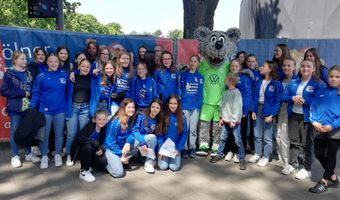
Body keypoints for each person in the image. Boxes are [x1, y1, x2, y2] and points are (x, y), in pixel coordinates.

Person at [281, 60, 325, 179]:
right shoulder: (294, 82)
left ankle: (307, 169)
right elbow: (282, 96)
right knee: (294, 141)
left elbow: (321, 102)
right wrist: (292, 98)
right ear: (299, 68)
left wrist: (306, 102)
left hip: (308, 118)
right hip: (294, 116)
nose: (305, 68)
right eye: (303, 66)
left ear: (313, 69)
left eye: (308, 66)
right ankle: (292, 164)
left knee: (307, 143)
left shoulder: (317, 85)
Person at [0, 51, 41, 168]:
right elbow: (3, 90)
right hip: (15, 108)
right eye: (22, 59)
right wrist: (22, 93)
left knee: (27, 130)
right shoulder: (9, 73)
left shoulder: (28, 73)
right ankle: (15, 156)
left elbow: (32, 89)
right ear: (15, 60)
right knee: (15, 130)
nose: (25, 61)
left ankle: (28, 153)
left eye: (25, 59)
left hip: (27, 107)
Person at [30, 53, 69, 169]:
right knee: (44, 135)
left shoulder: (64, 75)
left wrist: (74, 73)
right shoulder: (41, 76)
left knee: (59, 134)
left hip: (60, 110)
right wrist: (32, 108)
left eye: (55, 62)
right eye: (51, 61)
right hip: (45, 110)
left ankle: (57, 154)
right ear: (47, 62)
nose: (53, 64)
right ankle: (44, 156)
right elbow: (36, 92)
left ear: (59, 62)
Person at [309, 65, 340, 193]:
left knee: (331, 156)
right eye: (331, 76)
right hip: (320, 129)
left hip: (335, 131)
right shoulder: (321, 91)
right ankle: (332, 176)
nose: (333, 79)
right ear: (327, 77)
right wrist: (314, 121)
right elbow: (313, 107)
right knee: (318, 153)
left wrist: (331, 126)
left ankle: (324, 182)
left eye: (337, 77)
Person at [248, 61, 283, 167]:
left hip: (268, 111)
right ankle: (258, 154)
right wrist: (253, 110)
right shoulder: (258, 81)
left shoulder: (277, 84)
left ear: (270, 69)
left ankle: (266, 156)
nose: (261, 67)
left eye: (264, 66)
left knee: (267, 136)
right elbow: (254, 97)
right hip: (257, 109)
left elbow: (278, 101)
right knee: (257, 134)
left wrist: (272, 115)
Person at [210, 73, 246, 170]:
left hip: (234, 122)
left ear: (230, 81)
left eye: (226, 79)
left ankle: (242, 158)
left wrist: (233, 120)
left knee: (238, 140)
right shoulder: (226, 93)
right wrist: (221, 117)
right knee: (223, 138)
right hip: (226, 120)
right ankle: (219, 154)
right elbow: (222, 105)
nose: (224, 80)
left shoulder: (237, 92)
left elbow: (237, 108)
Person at [65, 59, 92, 166]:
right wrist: (73, 73)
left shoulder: (92, 78)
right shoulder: (72, 77)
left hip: (85, 109)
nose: (85, 68)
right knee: (71, 134)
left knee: (83, 134)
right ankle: (69, 154)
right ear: (79, 66)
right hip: (73, 108)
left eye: (88, 67)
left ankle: (80, 154)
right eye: (83, 66)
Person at [224, 59, 252, 163]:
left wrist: (245, 111)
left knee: (241, 133)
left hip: (241, 112)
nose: (234, 68)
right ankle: (230, 151)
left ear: (240, 67)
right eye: (232, 66)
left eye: (236, 66)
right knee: (230, 132)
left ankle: (239, 152)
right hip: (229, 111)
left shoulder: (244, 79)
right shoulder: (227, 79)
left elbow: (248, 95)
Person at [103, 98, 136, 178]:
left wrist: (128, 143)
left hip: (120, 146)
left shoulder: (129, 118)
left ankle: (121, 160)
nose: (131, 109)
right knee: (119, 173)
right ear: (123, 108)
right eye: (129, 107)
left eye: (133, 107)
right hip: (110, 149)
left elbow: (131, 134)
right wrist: (121, 154)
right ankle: (104, 163)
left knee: (137, 143)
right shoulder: (117, 122)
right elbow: (109, 142)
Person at [180, 55, 203, 158]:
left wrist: (198, 105)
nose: (193, 63)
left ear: (198, 63)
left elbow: (200, 93)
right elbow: (180, 90)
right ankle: (184, 148)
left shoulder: (200, 77)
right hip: (184, 106)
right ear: (189, 62)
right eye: (191, 61)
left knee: (193, 129)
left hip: (195, 107)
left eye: (195, 61)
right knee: (186, 128)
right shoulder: (183, 75)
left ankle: (192, 148)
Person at [76, 109, 109, 182]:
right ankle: (83, 171)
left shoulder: (104, 129)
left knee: (103, 160)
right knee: (88, 146)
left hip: (94, 150)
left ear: (106, 120)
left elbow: (102, 142)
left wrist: (101, 149)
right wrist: (93, 142)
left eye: (104, 119)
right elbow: (80, 138)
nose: (101, 121)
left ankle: (89, 165)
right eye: (99, 119)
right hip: (83, 150)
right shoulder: (89, 126)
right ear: (94, 120)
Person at [275, 58, 297, 168]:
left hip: (290, 111)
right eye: (284, 65)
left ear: (294, 67)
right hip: (279, 110)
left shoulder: (296, 81)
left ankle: (288, 159)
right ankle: (281, 157)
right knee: (278, 134)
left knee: (286, 135)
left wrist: (288, 98)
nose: (286, 67)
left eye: (289, 65)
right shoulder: (280, 80)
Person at [132, 99, 163, 173]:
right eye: (153, 107)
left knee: (161, 164)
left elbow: (159, 136)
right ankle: (148, 162)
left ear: (160, 109)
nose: (155, 109)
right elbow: (135, 131)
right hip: (140, 141)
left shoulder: (159, 120)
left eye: (157, 108)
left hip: (149, 147)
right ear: (150, 107)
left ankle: (145, 159)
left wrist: (160, 150)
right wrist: (142, 143)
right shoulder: (142, 115)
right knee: (151, 137)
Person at [157, 95, 188, 171]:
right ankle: (162, 157)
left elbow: (184, 134)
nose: (173, 106)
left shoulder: (182, 117)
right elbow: (159, 133)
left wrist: (178, 148)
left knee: (174, 167)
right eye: (171, 103)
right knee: (163, 167)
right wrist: (161, 148)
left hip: (175, 148)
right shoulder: (163, 115)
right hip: (164, 147)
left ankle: (174, 157)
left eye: (175, 103)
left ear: (178, 104)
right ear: (168, 104)